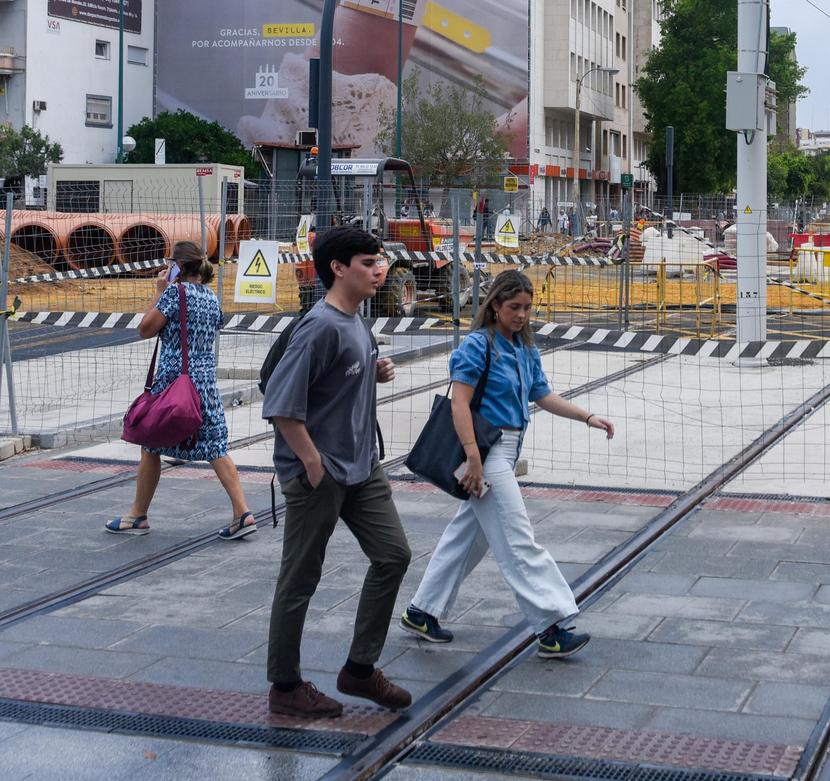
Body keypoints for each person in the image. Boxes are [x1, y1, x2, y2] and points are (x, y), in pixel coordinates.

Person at [401, 270, 615, 657]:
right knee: (517, 539)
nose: (522, 315)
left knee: (469, 537)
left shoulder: (524, 348)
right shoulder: (477, 345)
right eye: (515, 307)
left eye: (527, 308)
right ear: (495, 304)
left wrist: (588, 417)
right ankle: (550, 625)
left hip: (507, 448)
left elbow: (542, 395)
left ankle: (422, 611)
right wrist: (473, 458)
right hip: (485, 451)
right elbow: (459, 404)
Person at [261, 227, 410, 719]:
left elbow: (337, 379)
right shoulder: (319, 326)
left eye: (379, 261)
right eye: (368, 262)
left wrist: (374, 370)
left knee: (393, 555)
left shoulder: (355, 320)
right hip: (320, 473)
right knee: (300, 578)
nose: (379, 270)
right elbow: (281, 405)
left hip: (362, 468)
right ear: (339, 268)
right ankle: (285, 685)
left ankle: (359, 670)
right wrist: (311, 463)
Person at [106, 241, 255, 539]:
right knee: (216, 447)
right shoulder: (211, 297)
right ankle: (242, 513)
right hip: (204, 383)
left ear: (178, 266)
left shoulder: (174, 294)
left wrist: (159, 291)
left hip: (175, 381)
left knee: (151, 442)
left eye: (170, 262)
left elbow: (146, 329)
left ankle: (138, 515)